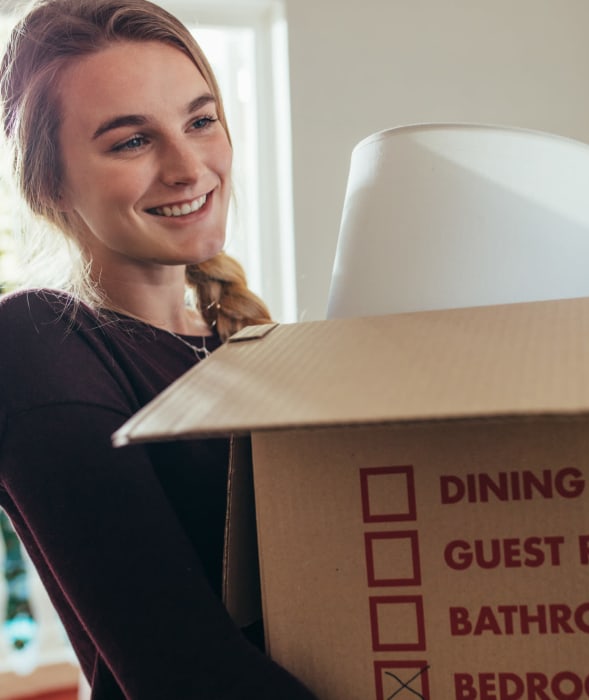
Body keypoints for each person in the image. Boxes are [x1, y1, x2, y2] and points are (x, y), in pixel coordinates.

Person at [0, 0, 319, 697]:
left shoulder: (253, 347)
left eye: (200, 122)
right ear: (48, 181)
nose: (187, 167)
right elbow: (187, 676)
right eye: (130, 141)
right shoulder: (36, 341)